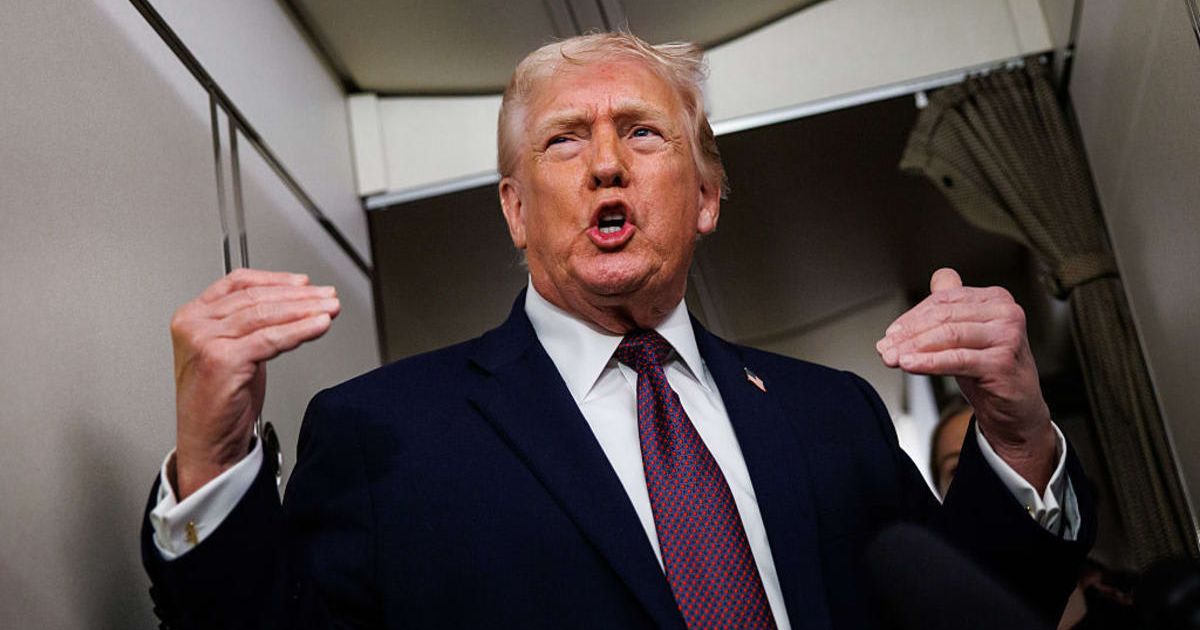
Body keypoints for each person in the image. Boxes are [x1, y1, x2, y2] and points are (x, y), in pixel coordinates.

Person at [142, 32, 1095, 629]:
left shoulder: (831, 415)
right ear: (516, 210)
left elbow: (979, 614)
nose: (605, 164)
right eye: (564, 140)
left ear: (707, 196)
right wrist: (212, 462)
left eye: (642, 132)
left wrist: (1018, 439)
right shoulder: (383, 433)